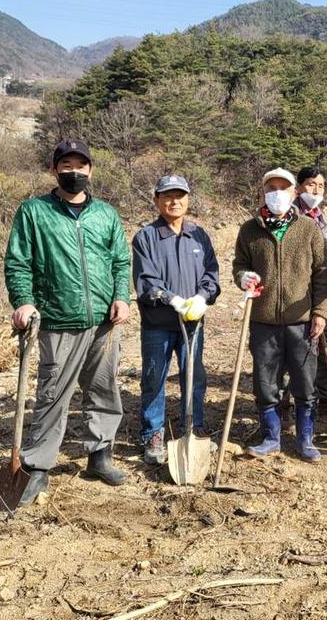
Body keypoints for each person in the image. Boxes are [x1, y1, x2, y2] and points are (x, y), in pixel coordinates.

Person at [3, 139, 131, 506]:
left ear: (91, 170)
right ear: (54, 169)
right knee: (52, 394)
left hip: (103, 322)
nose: (74, 172)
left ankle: (100, 454)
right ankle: (38, 466)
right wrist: (24, 302)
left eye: (81, 165)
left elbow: (120, 261)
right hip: (58, 319)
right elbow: (17, 261)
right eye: (67, 165)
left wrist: (121, 296)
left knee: (104, 389)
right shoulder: (34, 211)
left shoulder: (105, 214)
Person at [233, 168, 327, 462]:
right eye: (271, 187)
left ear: (294, 193)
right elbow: (239, 265)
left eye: (284, 188)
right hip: (263, 320)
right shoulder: (249, 230)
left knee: (304, 383)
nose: (277, 193)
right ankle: (271, 437)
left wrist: (320, 313)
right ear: (264, 192)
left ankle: (305, 439)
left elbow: (323, 276)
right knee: (266, 383)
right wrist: (243, 278)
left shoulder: (308, 229)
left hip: (301, 322)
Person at [131, 174, 221, 466]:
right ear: (157, 200)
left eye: (179, 195)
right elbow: (145, 279)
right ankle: (153, 433)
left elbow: (212, 273)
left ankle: (192, 426)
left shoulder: (199, 235)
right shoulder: (146, 237)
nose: (174, 201)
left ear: (188, 199)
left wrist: (202, 297)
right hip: (159, 323)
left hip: (193, 324)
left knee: (193, 376)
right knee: (154, 378)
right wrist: (171, 299)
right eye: (167, 196)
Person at [295, 166, 327, 417]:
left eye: (320, 186)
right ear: (298, 187)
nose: (315, 190)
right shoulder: (287, 216)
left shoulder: (325, 221)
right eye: (310, 184)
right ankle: (290, 403)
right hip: (293, 299)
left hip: (322, 297)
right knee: (295, 351)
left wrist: (326, 286)